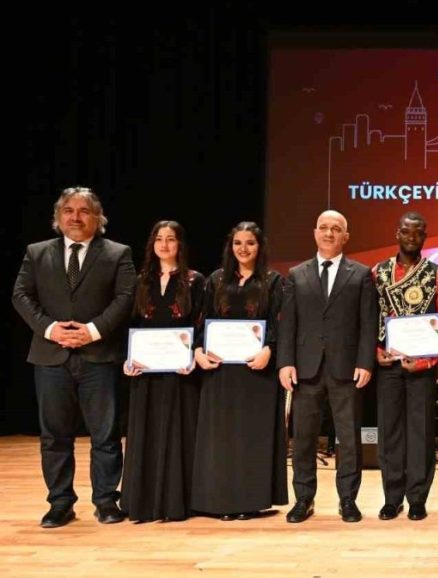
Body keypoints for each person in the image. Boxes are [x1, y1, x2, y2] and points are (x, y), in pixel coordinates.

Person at [12, 187, 136, 528]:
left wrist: (93, 330)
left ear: (98, 217)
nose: (76, 217)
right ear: (58, 217)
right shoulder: (37, 253)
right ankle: (60, 503)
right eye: (68, 210)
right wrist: (51, 329)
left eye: (84, 210)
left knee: (106, 434)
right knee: (54, 436)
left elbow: (126, 297)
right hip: (51, 355)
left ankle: (107, 501)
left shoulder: (117, 253)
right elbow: (21, 295)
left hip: (99, 354)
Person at [278, 210, 378, 524]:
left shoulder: (360, 274)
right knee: (304, 438)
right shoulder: (297, 274)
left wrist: (365, 361)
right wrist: (285, 362)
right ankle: (303, 500)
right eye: (324, 227)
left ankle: (347, 500)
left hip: (346, 369)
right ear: (315, 232)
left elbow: (368, 323)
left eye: (336, 229)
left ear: (345, 236)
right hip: (306, 369)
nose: (329, 233)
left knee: (349, 439)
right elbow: (288, 325)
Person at [191, 222, 286, 520]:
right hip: (220, 373)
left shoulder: (273, 281)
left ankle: (250, 501)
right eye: (238, 243)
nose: (243, 249)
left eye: (250, 243)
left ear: (260, 247)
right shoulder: (215, 280)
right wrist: (197, 351)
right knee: (220, 438)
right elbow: (200, 321)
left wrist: (269, 349)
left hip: (258, 372)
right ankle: (219, 502)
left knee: (251, 437)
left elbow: (280, 323)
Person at [373, 212, 438, 521]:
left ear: (424, 237)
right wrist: (374, 351)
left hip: (421, 368)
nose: (411, 237)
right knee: (390, 433)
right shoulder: (377, 273)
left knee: (420, 434)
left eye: (418, 233)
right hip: (388, 365)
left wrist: (427, 361)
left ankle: (417, 498)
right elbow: (369, 319)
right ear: (397, 233)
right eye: (406, 232)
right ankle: (392, 498)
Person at [120, 220, 204, 522]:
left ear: (180, 244)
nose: (164, 245)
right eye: (159, 239)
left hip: (182, 374)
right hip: (146, 373)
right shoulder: (140, 281)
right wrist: (128, 358)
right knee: (146, 433)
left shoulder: (195, 281)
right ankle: (142, 503)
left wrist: (195, 353)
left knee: (179, 433)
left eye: (171, 239)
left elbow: (200, 325)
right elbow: (130, 325)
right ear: (152, 245)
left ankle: (177, 503)